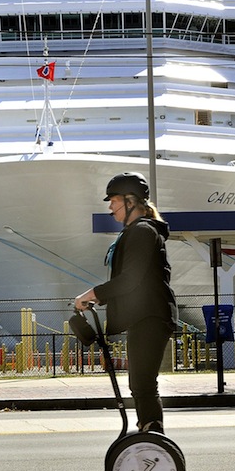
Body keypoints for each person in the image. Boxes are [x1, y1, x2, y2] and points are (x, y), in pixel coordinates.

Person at [75, 172, 178, 434]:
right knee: (139, 383)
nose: (110, 207)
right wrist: (98, 295)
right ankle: (148, 431)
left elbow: (131, 279)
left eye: (114, 200)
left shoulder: (143, 231)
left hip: (151, 316)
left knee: (143, 383)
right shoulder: (138, 231)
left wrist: (93, 294)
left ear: (130, 201)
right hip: (145, 316)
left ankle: (153, 436)